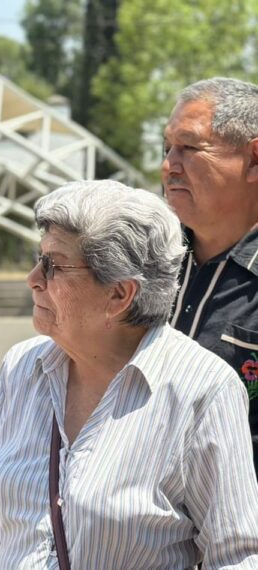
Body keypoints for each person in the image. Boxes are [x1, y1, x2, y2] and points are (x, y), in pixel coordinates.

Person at [0, 180, 258, 570]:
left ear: (119, 295)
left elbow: (237, 558)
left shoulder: (202, 390)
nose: (33, 278)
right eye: (38, 259)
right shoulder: (21, 368)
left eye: (53, 265)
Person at [162, 77, 258, 475]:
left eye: (188, 148)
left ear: (254, 160)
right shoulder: (148, 264)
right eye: (167, 148)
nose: (169, 166)